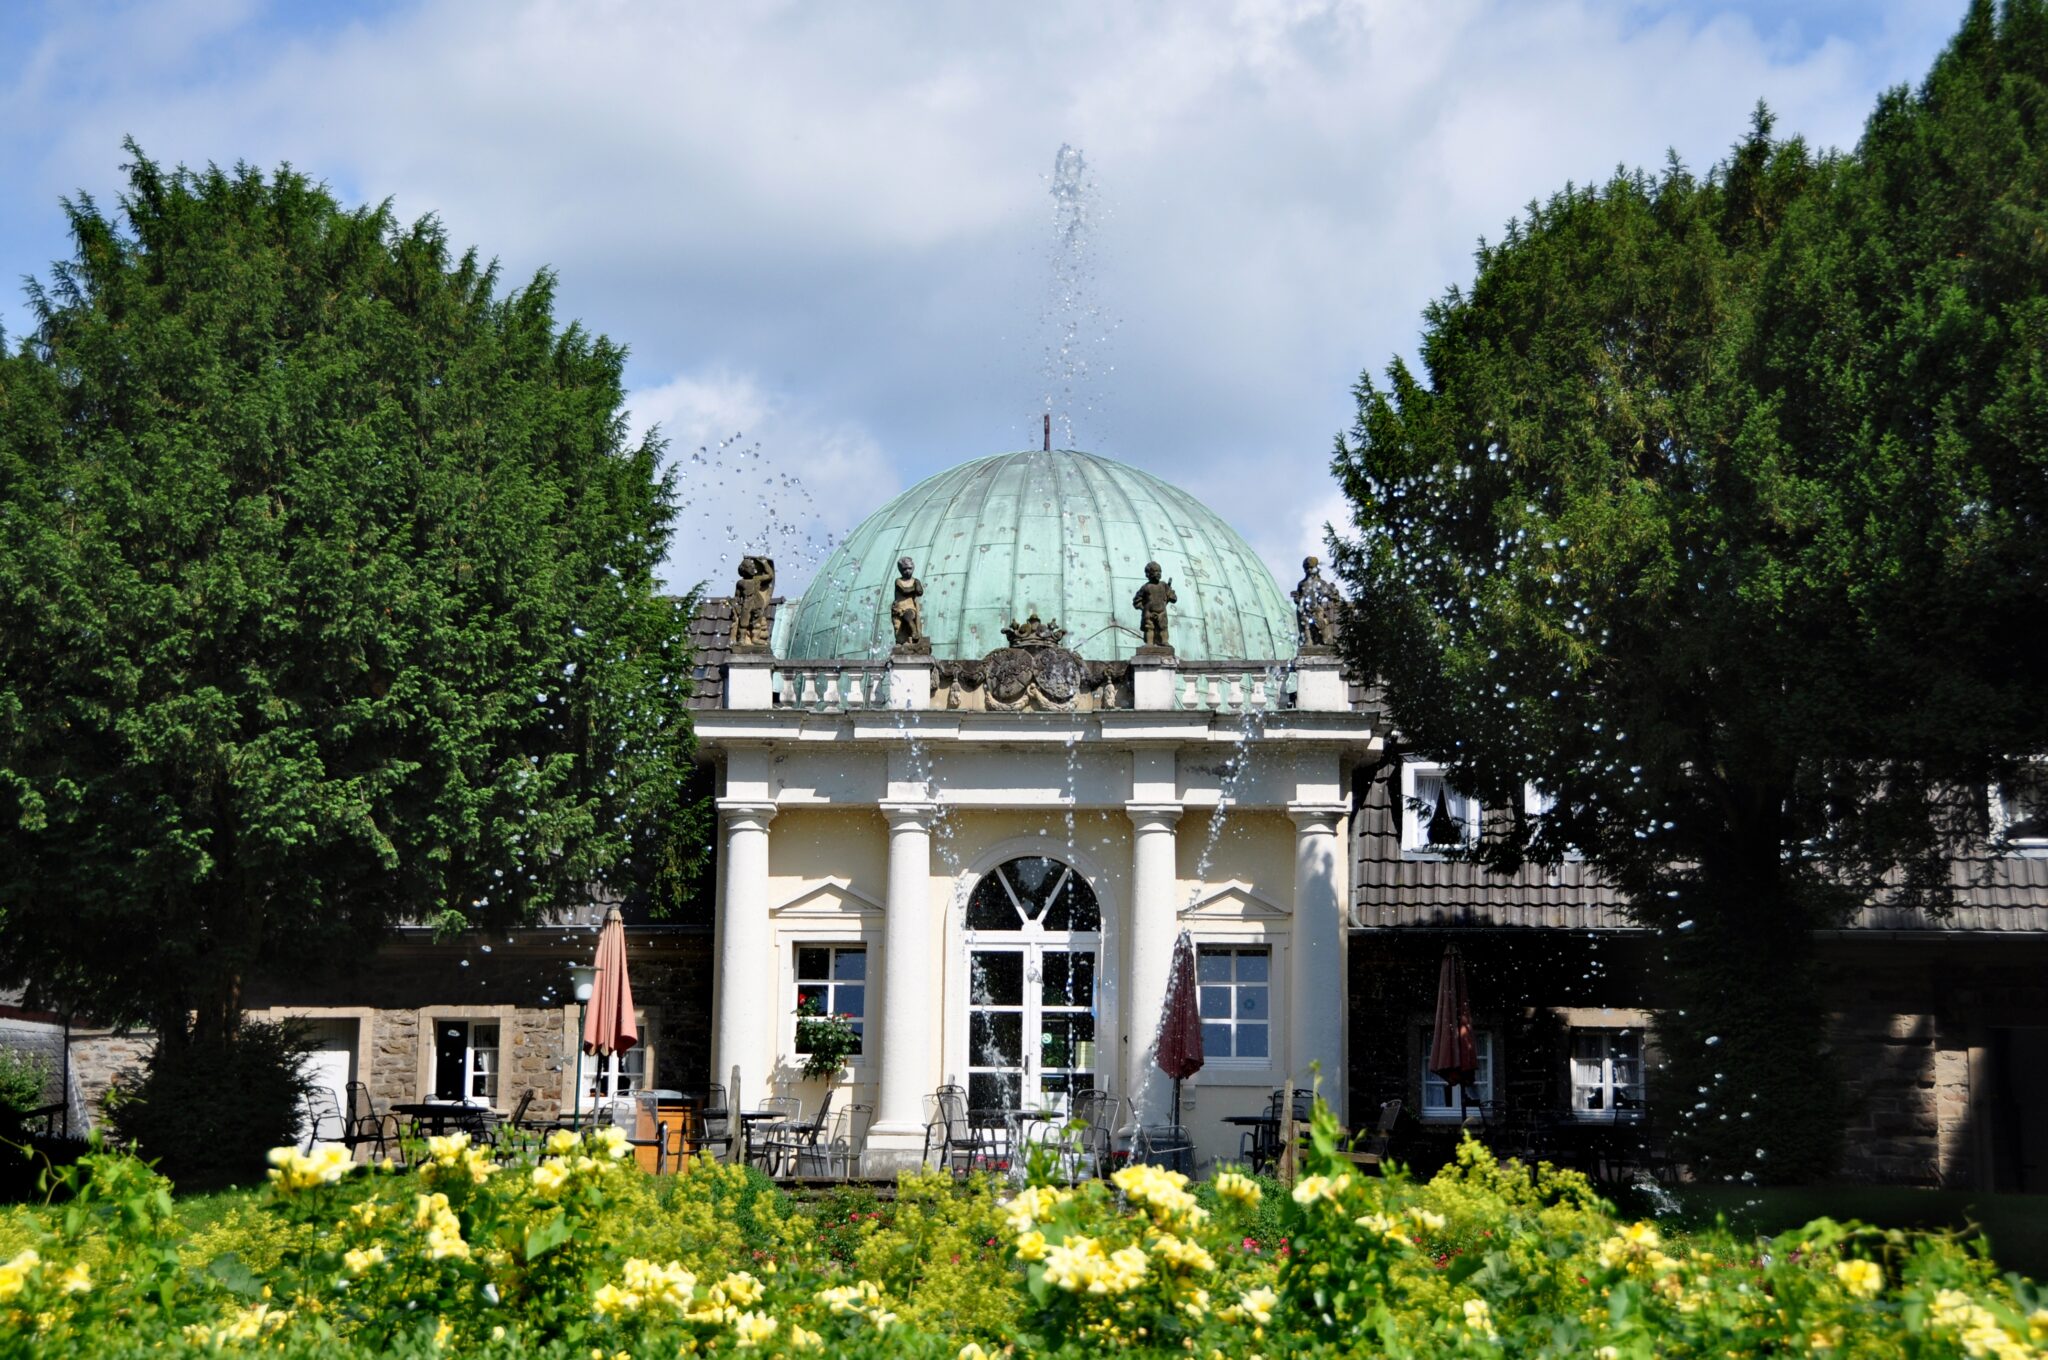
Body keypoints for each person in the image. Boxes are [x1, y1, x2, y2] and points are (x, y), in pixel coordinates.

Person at [1133, 561, 1177, 650]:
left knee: (1163, 627)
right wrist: (1144, 609)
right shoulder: (1146, 587)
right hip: (1148, 613)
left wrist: (1171, 596)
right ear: (1148, 574)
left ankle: (1164, 641)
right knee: (1149, 628)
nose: (1158, 574)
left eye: (1159, 571)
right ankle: (1149, 643)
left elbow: (1172, 597)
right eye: (1155, 571)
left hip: (1162, 612)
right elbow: (1136, 601)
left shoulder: (1164, 585)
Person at [891, 555, 926, 647]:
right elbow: (904, 591)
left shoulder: (915, 581)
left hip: (910, 607)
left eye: (909, 568)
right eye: (904, 569)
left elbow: (920, 592)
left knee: (908, 617)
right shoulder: (898, 581)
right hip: (898, 608)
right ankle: (903, 641)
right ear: (900, 570)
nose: (907, 571)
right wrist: (914, 587)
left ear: (913, 568)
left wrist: (917, 585)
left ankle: (915, 632)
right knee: (898, 629)